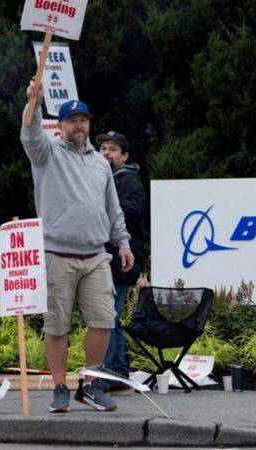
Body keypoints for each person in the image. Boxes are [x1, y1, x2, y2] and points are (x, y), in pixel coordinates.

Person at [20, 82, 134, 413]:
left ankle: (89, 385)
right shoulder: (46, 153)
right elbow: (29, 134)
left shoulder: (101, 163)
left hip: (97, 254)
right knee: (57, 325)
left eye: (83, 120)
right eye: (72, 120)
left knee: (103, 320)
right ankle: (59, 387)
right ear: (61, 125)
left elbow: (113, 208)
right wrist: (35, 103)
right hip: (57, 254)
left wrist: (123, 242)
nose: (79, 125)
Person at [96, 131, 146, 395]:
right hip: (104, 259)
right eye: (103, 148)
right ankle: (116, 373)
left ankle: (109, 375)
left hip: (120, 261)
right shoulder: (101, 179)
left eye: (113, 149)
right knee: (110, 318)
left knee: (108, 318)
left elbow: (126, 213)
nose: (106, 153)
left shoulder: (129, 182)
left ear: (124, 156)